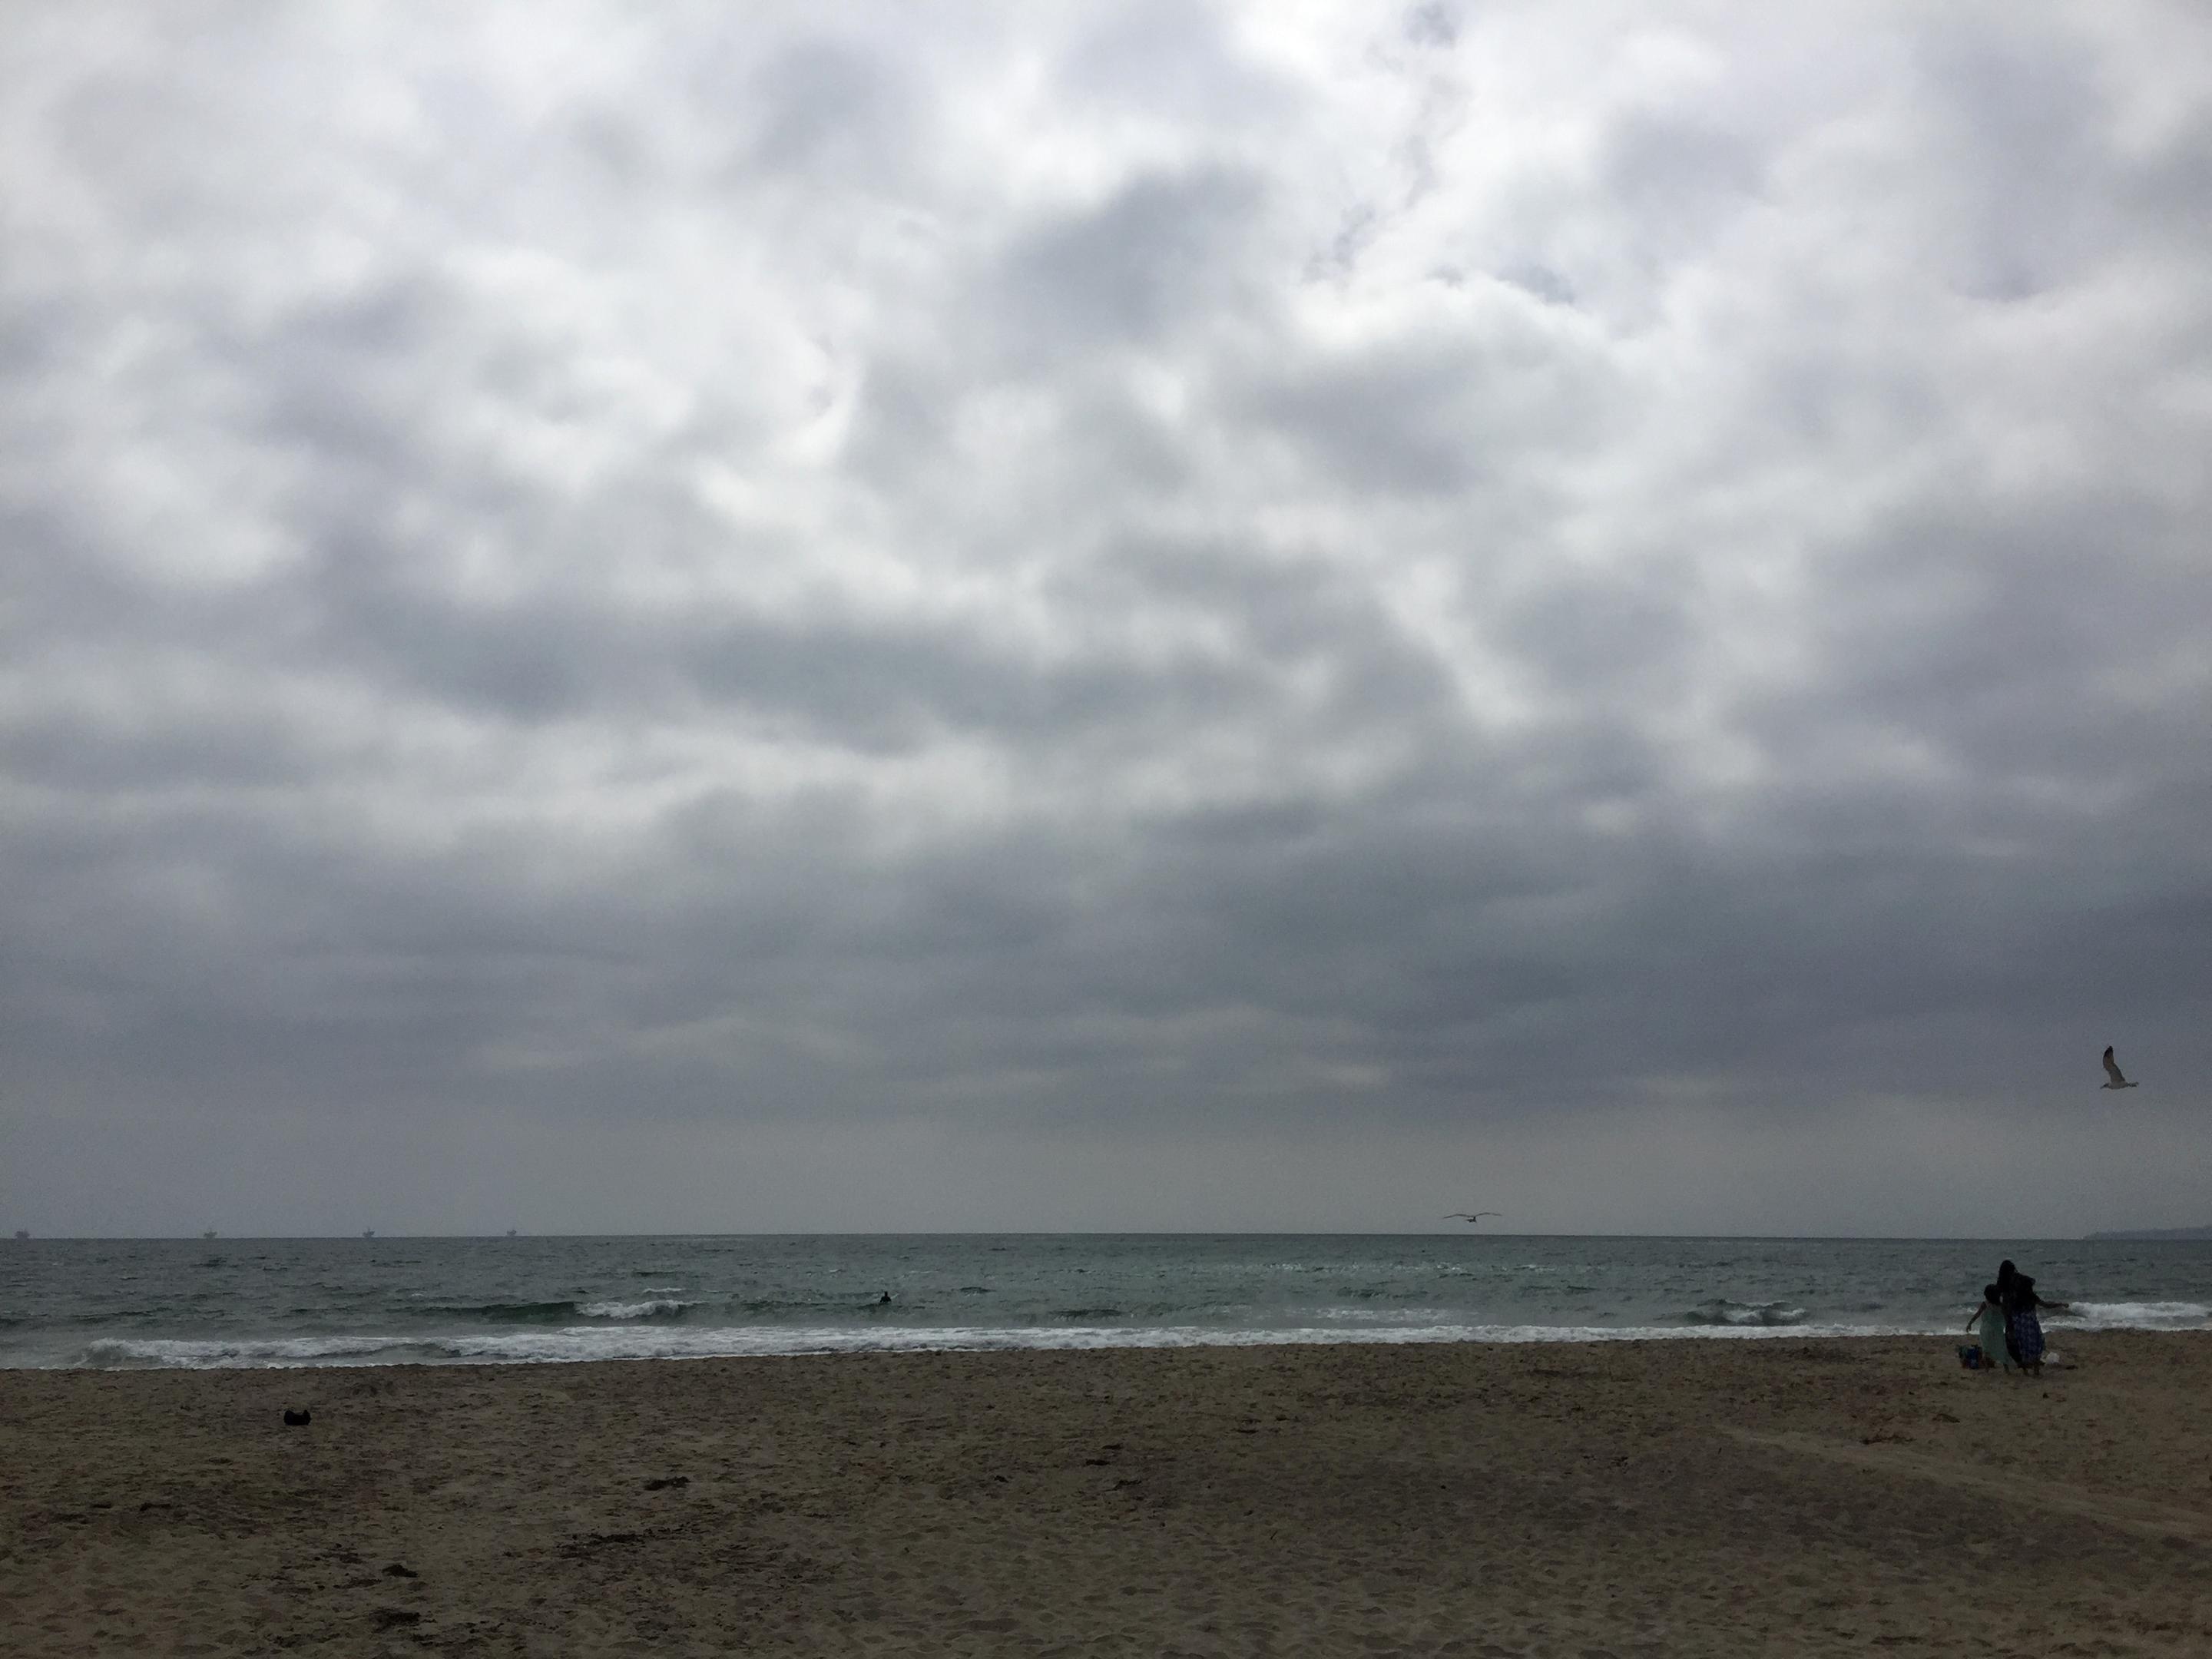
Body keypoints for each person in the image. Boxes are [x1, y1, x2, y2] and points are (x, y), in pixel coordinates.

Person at [1997, 1260, 2070, 1378]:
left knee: (2022, 1347)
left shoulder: (2010, 1294)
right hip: (2031, 1323)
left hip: (2017, 1323)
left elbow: (2005, 1309)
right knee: (2036, 1345)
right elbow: (2045, 1304)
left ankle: (2025, 1370)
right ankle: (2035, 1370)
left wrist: (2009, 1324)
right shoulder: (2030, 1297)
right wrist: (2060, 1304)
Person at [1964, 1283, 2010, 1373]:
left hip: (1986, 1329)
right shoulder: (2001, 1306)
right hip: (1997, 1329)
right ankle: (2006, 1368)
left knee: (1986, 1349)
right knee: (2002, 1347)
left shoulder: (1985, 1304)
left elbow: (1977, 1314)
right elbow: (2006, 1318)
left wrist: (1970, 1323)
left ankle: (1987, 1369)